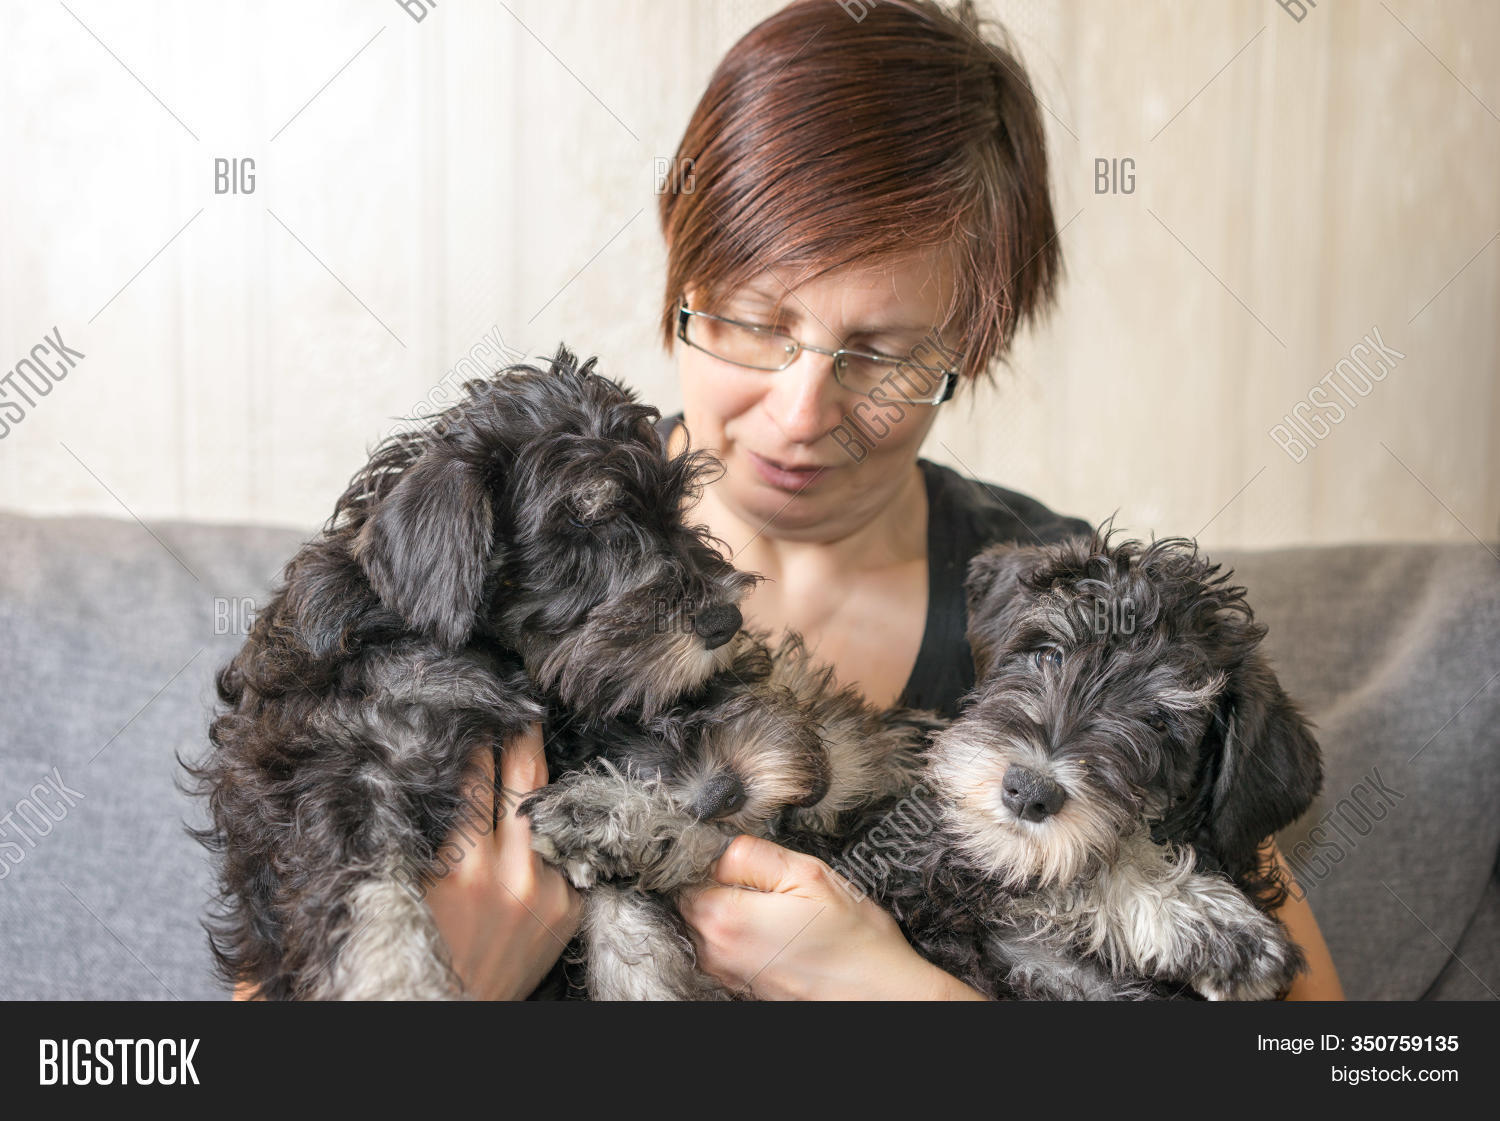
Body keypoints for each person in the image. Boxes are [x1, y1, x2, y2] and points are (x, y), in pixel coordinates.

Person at [289, 0, 1343, 1001]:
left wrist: (908, 996)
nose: (800, 411)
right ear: (680, 254)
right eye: (754, 321)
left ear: (972, 346)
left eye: (883, 356)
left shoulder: (1083, 615)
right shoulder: (506, 548)